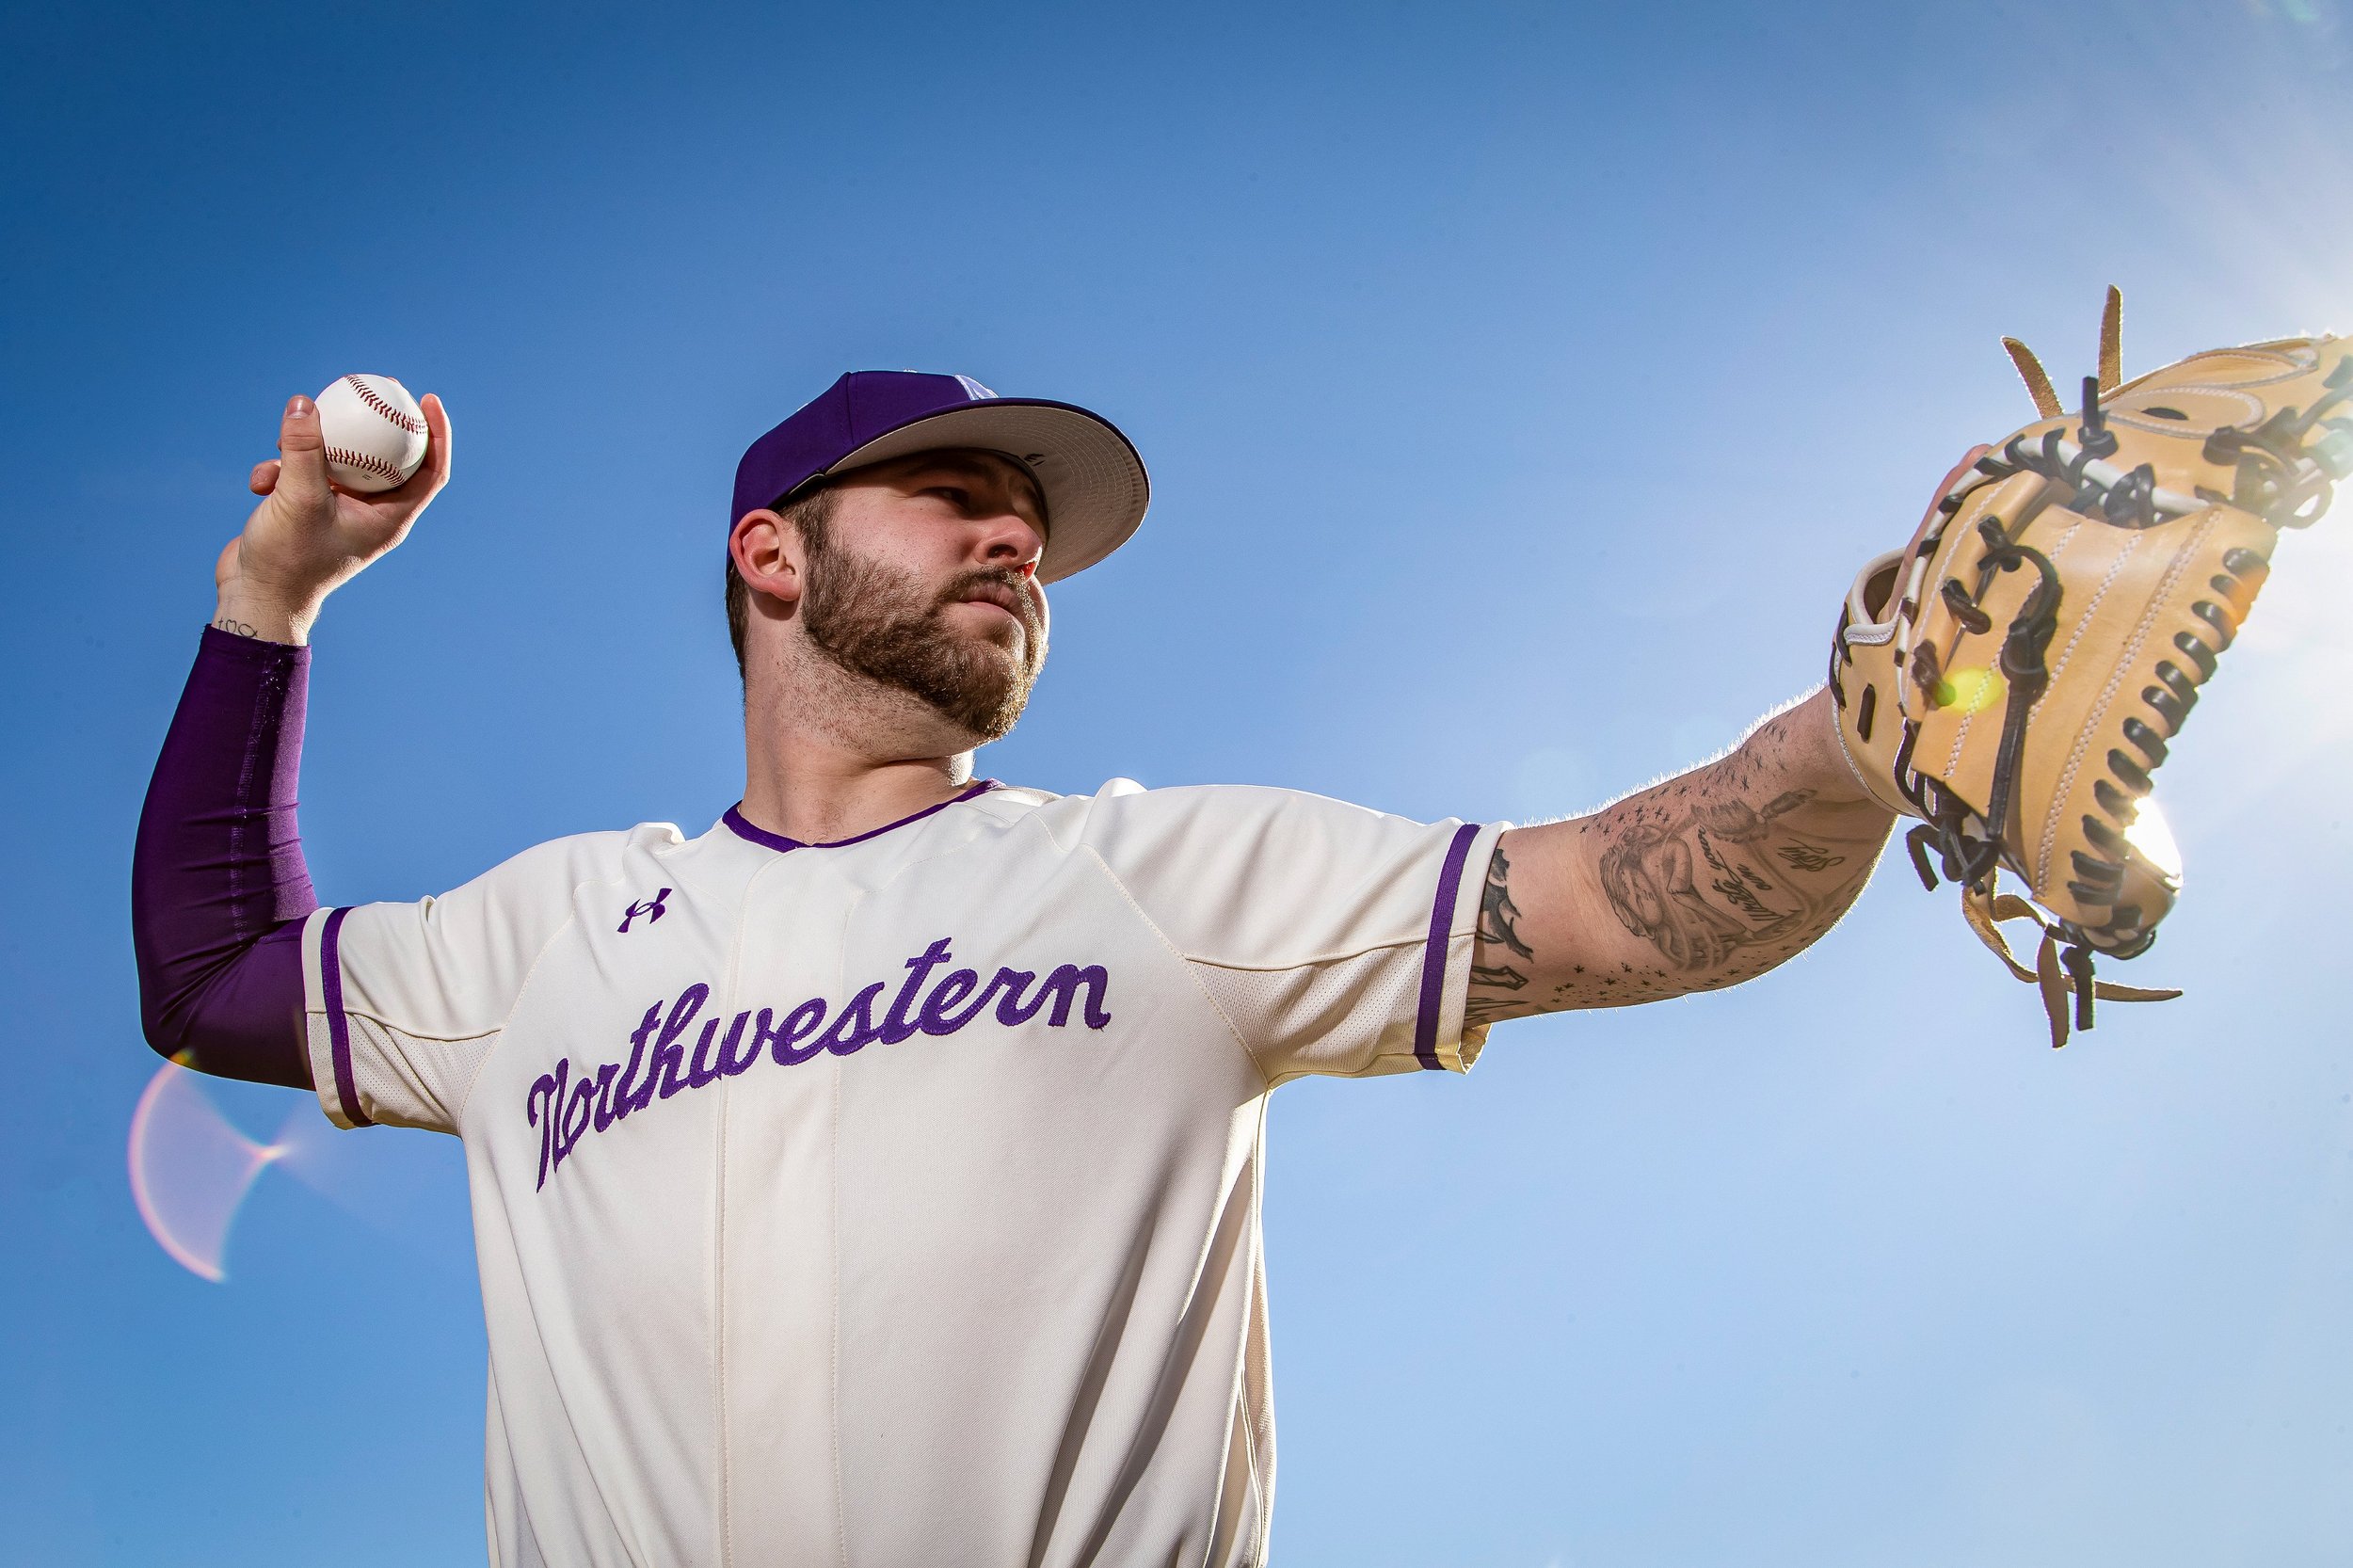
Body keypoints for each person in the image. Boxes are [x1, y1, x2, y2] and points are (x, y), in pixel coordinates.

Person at [134, 371, 1897, 1566]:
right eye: (954, 495)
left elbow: (1605, 898)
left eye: (1029, 524)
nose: (1019, 540)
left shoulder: (1159, 877)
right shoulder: (549, 939)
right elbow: (213, 974)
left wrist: (1867, 725)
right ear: (773, 554)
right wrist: (268, 594)